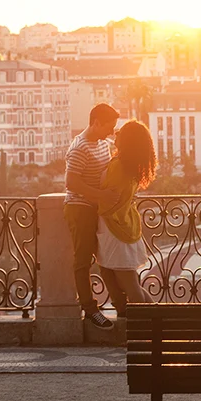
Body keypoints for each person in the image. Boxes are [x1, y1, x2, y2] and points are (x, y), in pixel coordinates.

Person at [65, 103, 118, 329]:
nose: (111, 132)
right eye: (109, 127)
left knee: (107, 256)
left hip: (97, 208)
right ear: (96, 122)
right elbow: (72, 182)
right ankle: (90, 310)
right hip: (80, 208)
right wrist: (102, 195)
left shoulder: (102, 143)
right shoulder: (80, 148)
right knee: (83, 260)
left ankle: (119, 302)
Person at [92, 119, 156, 307]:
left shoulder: (120, 166)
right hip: (119, 228)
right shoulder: (127, 165)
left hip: (115, 230)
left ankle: (148, 330)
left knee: (131, 288)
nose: (115, 134)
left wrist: (93, 201)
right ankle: (157, 324)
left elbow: (109, 198)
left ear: (128, 140)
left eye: (120, 133)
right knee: (129, 284)